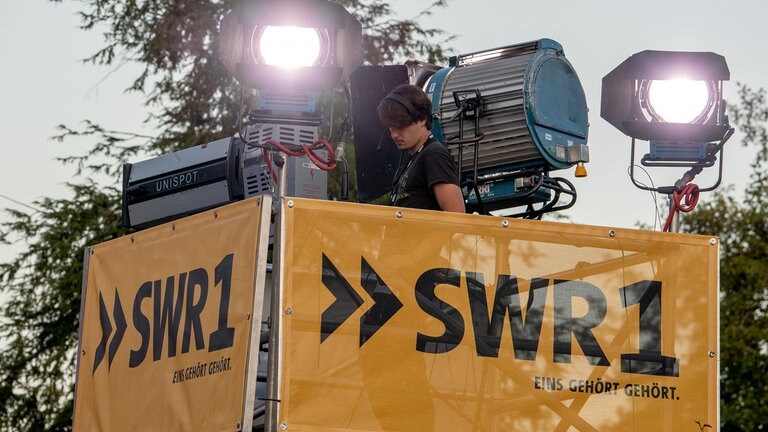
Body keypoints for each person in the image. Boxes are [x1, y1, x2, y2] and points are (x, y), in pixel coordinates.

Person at [377, 84, 465, 213]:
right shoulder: (415, 158)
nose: (394, 134)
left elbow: (457, 217)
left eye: (401, 126)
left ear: (422, 119)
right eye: (391, 127)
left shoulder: (433, 154)